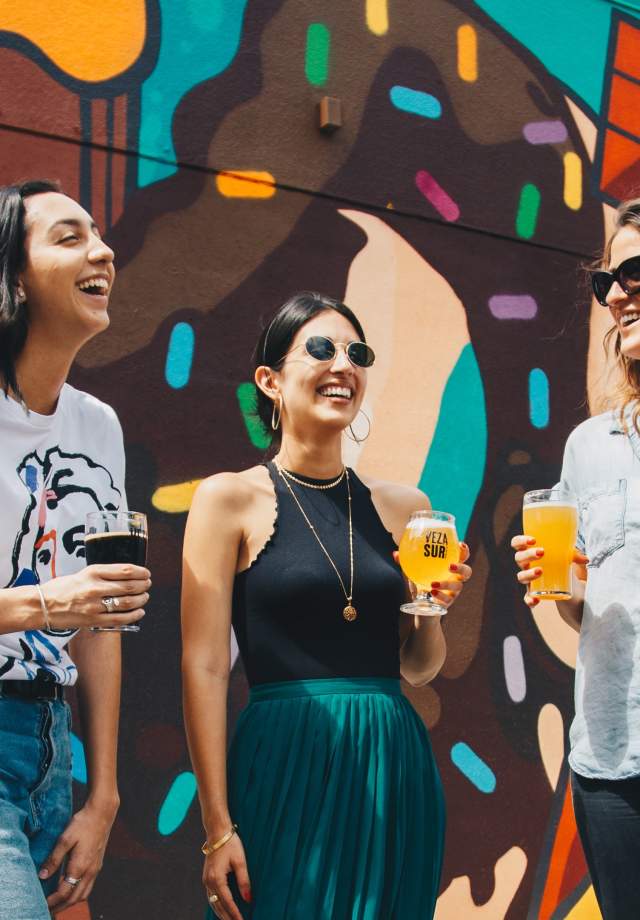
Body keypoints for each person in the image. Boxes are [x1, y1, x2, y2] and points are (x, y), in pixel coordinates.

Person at [182, 291, 472, 920]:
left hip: (391, 762)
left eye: (357, 353)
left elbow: (419, 667)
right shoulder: (227, 499)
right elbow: (203, 666)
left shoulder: (407, 506)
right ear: (270, 381)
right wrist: (217, 825)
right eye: (320, 348)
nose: (343, 364)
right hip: (284, 760)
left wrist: (431, 607)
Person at [0, 180, 151, 918]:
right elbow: (71, 603)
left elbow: (101, 622)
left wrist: (105, 795)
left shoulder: (98, 426)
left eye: (98, 234)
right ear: (15, 279)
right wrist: (46, 601)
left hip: (53, 746)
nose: (102, 250)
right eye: (68, 237)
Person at [512, 197, 640, 919]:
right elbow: (580, 601)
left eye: (635, 273)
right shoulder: (588, 446)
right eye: (606, 282)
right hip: (609, 759)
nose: (617, 294)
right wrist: (566, 584)